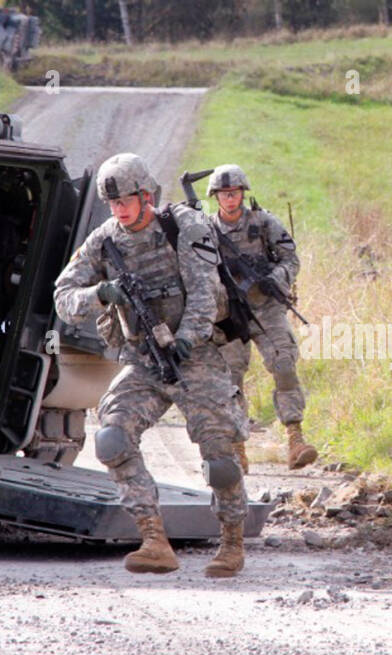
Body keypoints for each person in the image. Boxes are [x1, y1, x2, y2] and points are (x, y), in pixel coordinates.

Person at [53, 153, 249, 578]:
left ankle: (232, 543)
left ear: (146, 195)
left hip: (193, 355)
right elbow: (63, 297)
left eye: (125, 201)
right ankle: (154, 540)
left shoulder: (183, 228)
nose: (119, 211)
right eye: (113, 205)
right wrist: (100, 294)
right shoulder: (104, 240)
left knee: (220, 458)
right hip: (143, 360)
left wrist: (185, 339)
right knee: (112, 436)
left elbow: (204, 292)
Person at [207, 164, 318, 471]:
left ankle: (295, 438)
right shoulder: (205, 230)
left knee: (283, 363)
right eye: (224, 194)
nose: (230, 199)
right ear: (215, 197)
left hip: (266, 306)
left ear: (243, 192)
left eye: (235, 192)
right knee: (230, 380)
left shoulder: (263, 222)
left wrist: (276, 278)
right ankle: (237, 448)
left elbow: (290, 259)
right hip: (229, 312)